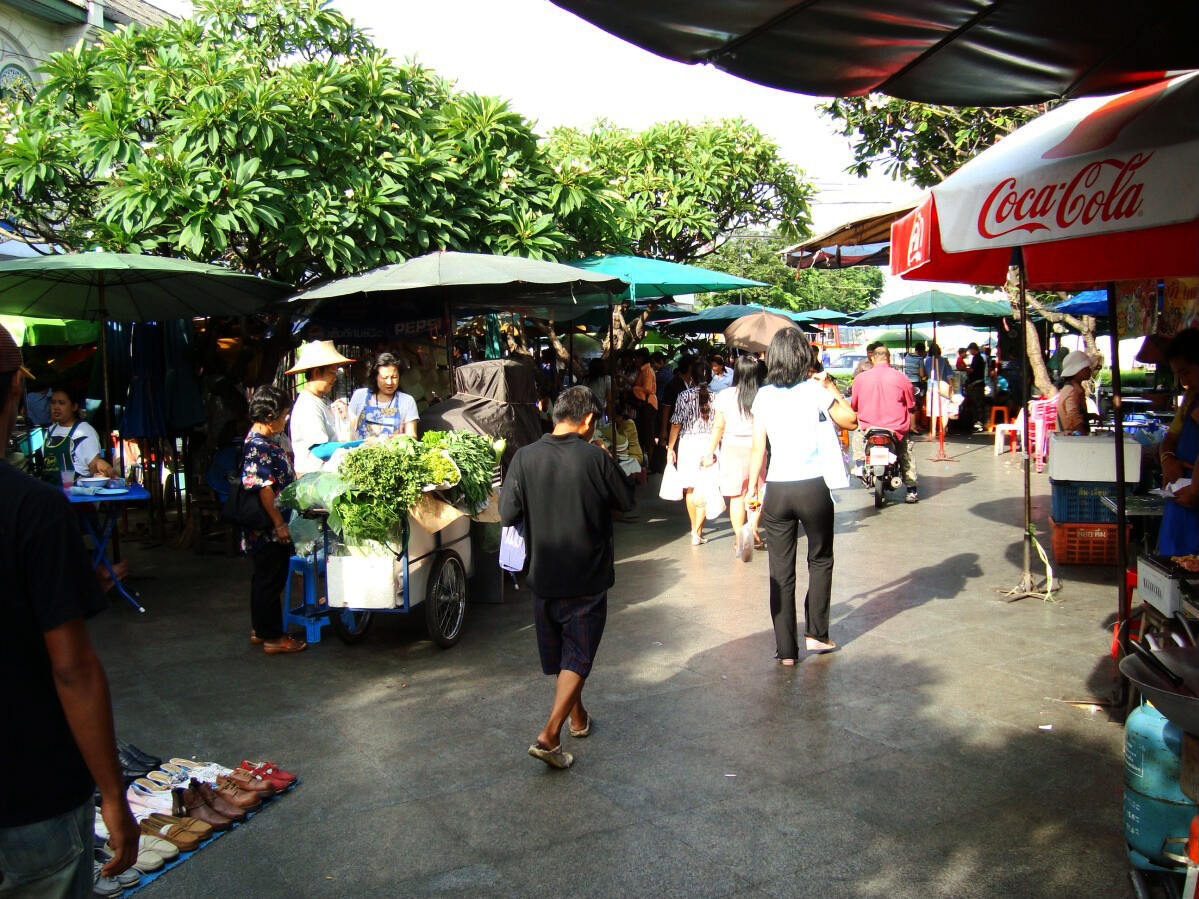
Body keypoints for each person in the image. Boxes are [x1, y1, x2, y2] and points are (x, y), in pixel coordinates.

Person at [0, 324, 140, 895]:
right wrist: (111, 790)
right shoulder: (34, 510)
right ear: (15, 392)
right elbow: (72, 668)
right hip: (31, 793)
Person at [499, 387, 634, 770]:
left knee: (565, 656)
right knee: (578, 655)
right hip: (586, 577)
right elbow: (626, 501)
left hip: (543, 576)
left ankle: (578, 717)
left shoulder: (524, 457)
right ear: (588, 420)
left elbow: (507, 512)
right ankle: (549, 734)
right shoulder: (595, 457)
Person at [746, 329, 856, 665]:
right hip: (812, 488)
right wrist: (831, 386)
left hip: (777, 490)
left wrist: (753, 489)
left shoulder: (763, 395)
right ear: (803, 358)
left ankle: (786, 651)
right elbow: (850, 422)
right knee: (820, 559)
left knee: (780, 571)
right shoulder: (815, 390)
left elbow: (758, 448)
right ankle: (817, 635)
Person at [240, 385, 306, 655]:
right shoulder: (258, 445)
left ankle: (261, 629)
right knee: (271, 579)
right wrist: (279, 524)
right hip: (268, 526)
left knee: (264, 578)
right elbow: (264, 488)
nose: (285, 419)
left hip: (268, 525)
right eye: (283, 415)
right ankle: (274, 638)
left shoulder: (263, 440)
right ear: (269, 415)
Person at [704, 355, 767, 560]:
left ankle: (740, 535)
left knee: (736, 495)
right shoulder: (763, 395)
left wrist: (710, 450)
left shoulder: (725, 395)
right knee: (755, 490)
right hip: (757, 446)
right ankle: (754, 530)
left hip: (731, 447)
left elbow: (718, 426)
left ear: (737, 372)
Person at [851, 345, 919, 503]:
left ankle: (860, 464)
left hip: (869, 427)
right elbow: (911, 404)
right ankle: (911, 490)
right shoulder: (901, 377)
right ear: (889, 358)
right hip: (896, 428)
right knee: (906, 453)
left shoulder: (860, 378)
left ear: (872, 358)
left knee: (858, 436)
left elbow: (854, 404)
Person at [287, 340, 355, 475]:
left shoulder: (321, 400)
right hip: (313, 480)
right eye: (332, 373)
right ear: (317, 372)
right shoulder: (308, 405)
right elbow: (321, 450)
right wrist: (360, 445)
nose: (335, 378)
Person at [667, 360, 715, 545]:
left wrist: (670, 447)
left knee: (690, 488)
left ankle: (694, 529)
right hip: (708, 444)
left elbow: (676, 423)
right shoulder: (716, 397)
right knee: (706, 487)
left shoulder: (683, 396)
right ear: (709, 376)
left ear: (691, 376)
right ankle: (697, 531)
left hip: (687, 443)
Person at [1160, 330, 1199, 557]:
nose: (1184, 382)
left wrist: (1195, 490)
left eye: (1187, 373)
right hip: (1180, 502)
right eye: (1179, 375)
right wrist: (1168, 459)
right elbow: (1170, 439)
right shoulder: (1190, 400)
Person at [44, 385, 114, 482]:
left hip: (74, 489)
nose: (56, 407)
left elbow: (94, 464)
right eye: (53, 403)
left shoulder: (84, 431)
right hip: (51, 489)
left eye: (62, 403)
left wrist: (100, 464)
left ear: (74, 406)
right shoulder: (49, 431)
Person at [348, 352, 419, 440]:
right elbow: (349, 429)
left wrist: (403, 438)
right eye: (384, 378)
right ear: (375, 377)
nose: (389, 382)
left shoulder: (407, 401)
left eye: (394, 377)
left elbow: (412, 436)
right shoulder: (360, 395)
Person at [1055, 350, 1096, 436]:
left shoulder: (1074, 389)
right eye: (1086, 368)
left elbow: (1078, 414)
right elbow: (1074, 417)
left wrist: (1091, 416)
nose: (1089, 370)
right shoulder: (1071, 391)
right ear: (1078, 371)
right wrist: (1085, 437)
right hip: (1072, 439)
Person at [630, 348, 659, 460]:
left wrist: (635, 388)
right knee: (644, 434)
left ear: (641, 358)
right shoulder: (643, 370)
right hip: (645, 405)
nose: (635, 360)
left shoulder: (647, 371)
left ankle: (650, 462)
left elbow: (647, 389)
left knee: (648, 435)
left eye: (636, 358)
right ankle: (646, 461)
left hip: (648, 405)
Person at [922, 342, 955, 441]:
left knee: (933, 410)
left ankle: (932, 432)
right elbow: (950, 375)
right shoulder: (944, 360)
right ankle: (943, 431)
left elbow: (924, 374)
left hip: (931, 386)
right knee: (944, 410)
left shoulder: (926, 361)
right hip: (943, 386)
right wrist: (951, 388)